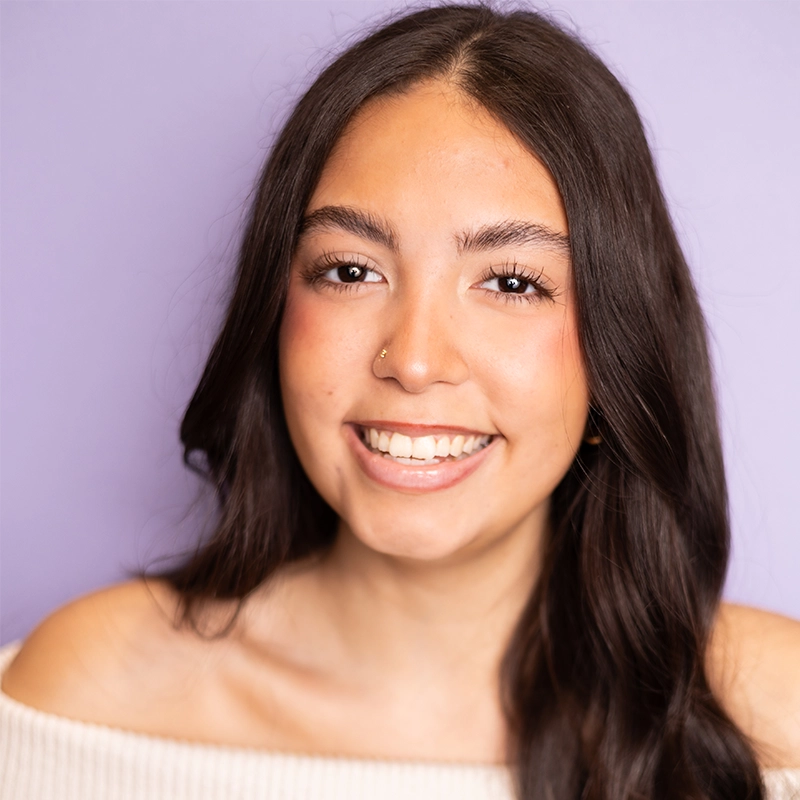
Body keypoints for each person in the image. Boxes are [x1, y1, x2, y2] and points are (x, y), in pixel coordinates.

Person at [1, 4, 798, 799]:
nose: (413, 361)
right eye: (351, 271)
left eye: (512, 283)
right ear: (275, 313)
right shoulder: (88, 697)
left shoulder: (777, 721)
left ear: (616, 349)